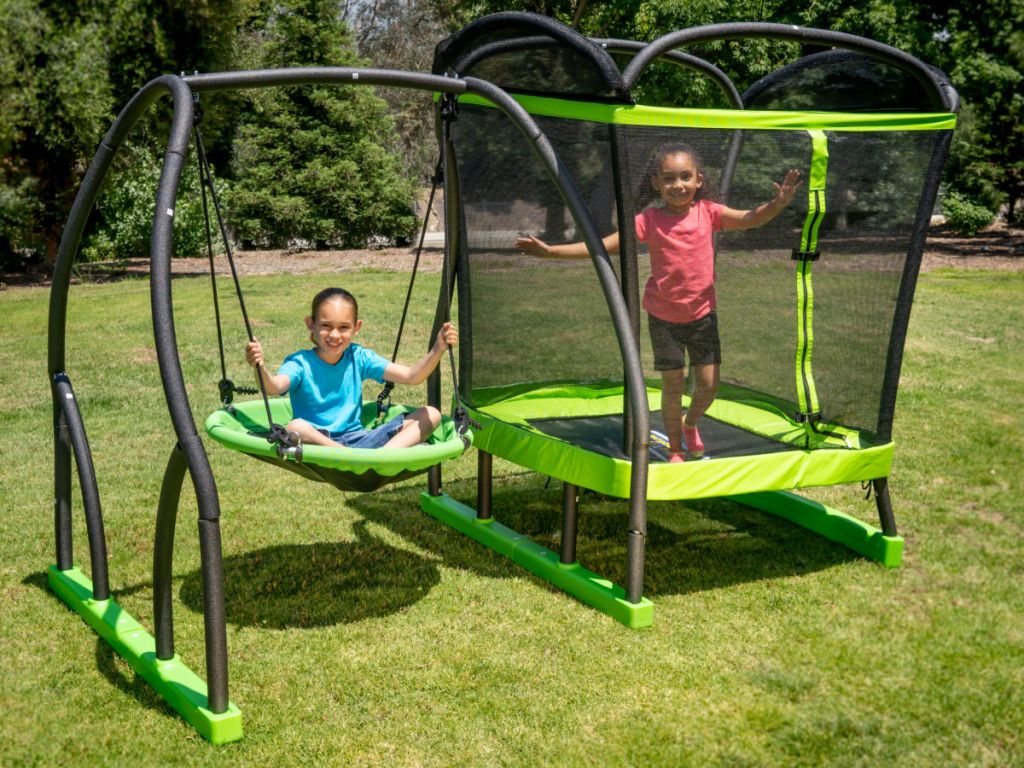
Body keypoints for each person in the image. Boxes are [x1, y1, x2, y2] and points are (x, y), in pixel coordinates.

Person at [516, 143, 802, 462]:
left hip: (702, 317)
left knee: (708, 386)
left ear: (698, 180)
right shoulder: (648, 220)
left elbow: (752, 218)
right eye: (669, 178)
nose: (677, 185)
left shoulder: (709, 213)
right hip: (664, 319)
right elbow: (602, 246)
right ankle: (676, 448)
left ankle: (690, 423)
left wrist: (778, 203)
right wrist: (552, 251)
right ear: (656, 183)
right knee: (673, 386)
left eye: (685, 177)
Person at [245, 286, 458, 450]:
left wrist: (438, 348)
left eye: (344, 327)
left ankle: (381, 458)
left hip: (359, 440)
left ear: (356, 328)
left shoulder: (359, 357)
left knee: (431, 414)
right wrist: (260, 367)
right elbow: (273, 387)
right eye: (326, 326)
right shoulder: (300, 363)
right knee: (294, 427)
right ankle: (352, 457)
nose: (335, 335)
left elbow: (413, 376)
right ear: (311, 324)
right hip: (319, 441)